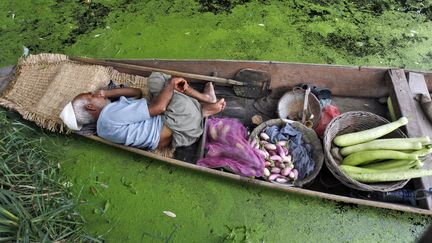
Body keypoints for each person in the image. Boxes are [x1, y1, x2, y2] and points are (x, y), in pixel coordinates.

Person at [60, 72, 226, 150]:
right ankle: (206, 101)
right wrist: (170, 85)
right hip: (180, 125)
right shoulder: (110, 114)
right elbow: (158, 107)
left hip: (180, 133)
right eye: (91, 95)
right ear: (90, 107)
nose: (95, 92)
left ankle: (202, 111)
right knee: (171, 84)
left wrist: (107, 93)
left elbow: (137, 93)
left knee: (155, 79)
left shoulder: (103, 128)